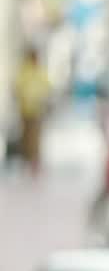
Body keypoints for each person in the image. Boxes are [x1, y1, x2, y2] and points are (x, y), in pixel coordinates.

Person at [14, 46, 52, 176]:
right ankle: (26, 161)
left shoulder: (41, 72)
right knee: (26, 137)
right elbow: (17, 88)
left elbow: (48, 89)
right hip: (25, 111)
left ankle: (35, 163)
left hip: (37, 111)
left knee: (36, 138)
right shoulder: (25, 71)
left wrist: (43, 101)